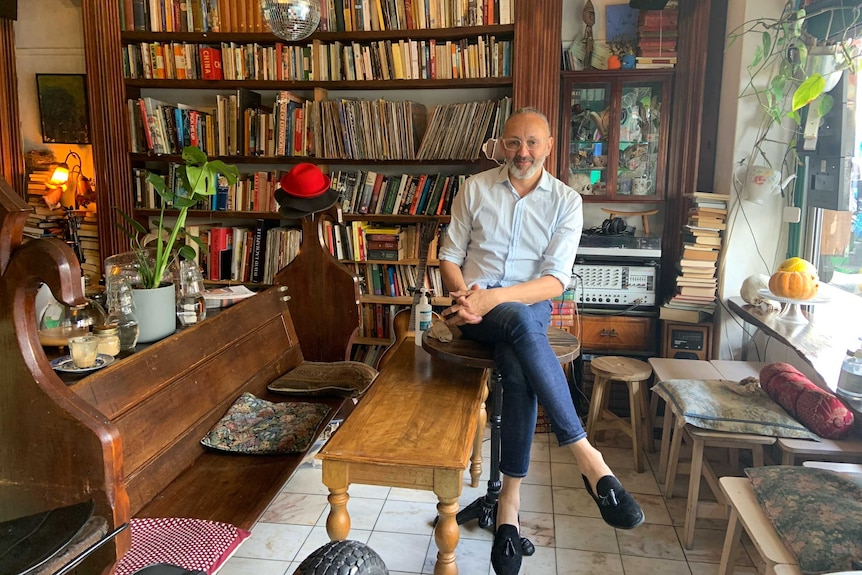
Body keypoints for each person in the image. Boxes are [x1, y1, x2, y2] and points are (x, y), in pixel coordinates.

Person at [438, 107, 644, 575]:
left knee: (516, 355)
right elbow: (450, 256)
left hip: (523, 310)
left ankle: (507, 511)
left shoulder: (566, 201)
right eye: (513, 142)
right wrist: (467, 297)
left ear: (549, 147)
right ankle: (588, 459)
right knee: (515, 325)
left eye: (532, 143)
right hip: (472, 311)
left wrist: (496, 298)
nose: (522, 151)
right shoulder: (475, 189)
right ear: (500, 145)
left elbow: (554, 281)